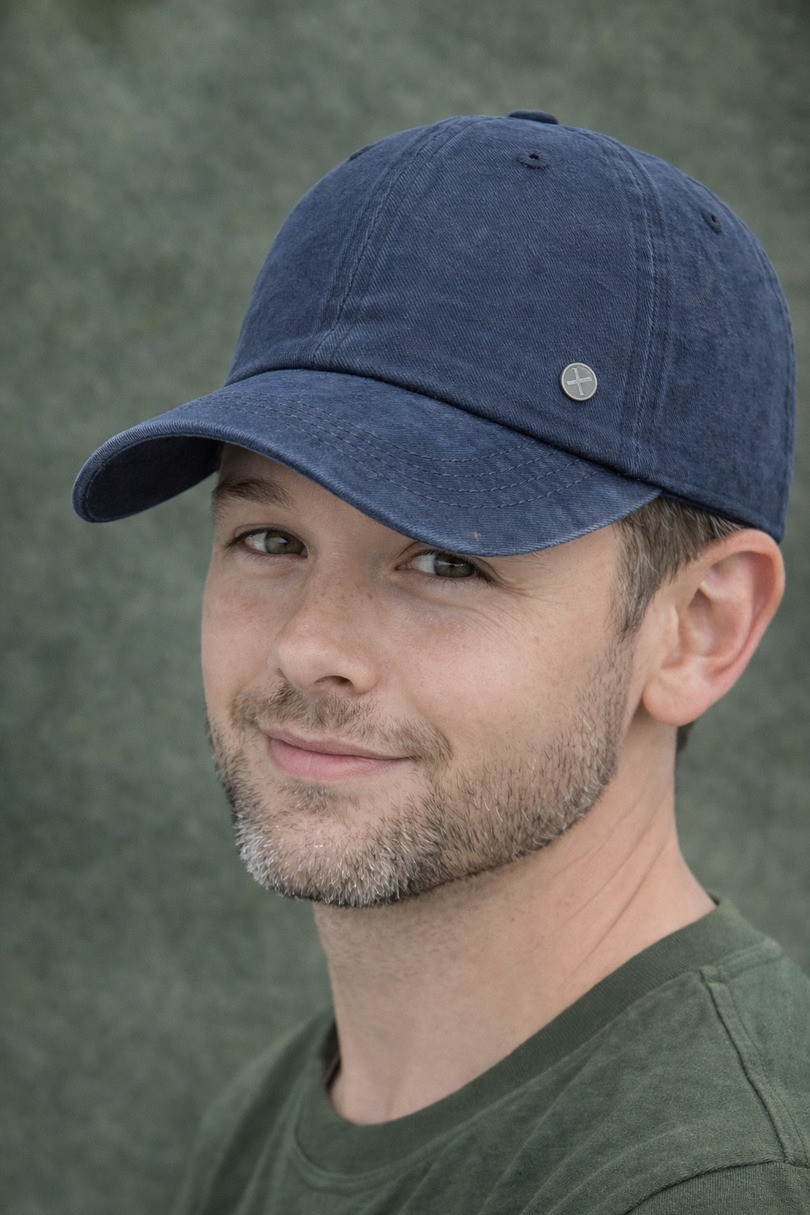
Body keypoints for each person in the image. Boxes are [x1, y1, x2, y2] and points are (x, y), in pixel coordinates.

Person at [72, 113, 810, 1213]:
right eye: (270, 539)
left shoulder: (716, 1184)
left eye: (445, 560)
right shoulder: (269, 1116)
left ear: (699, 626)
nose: (307, 646)